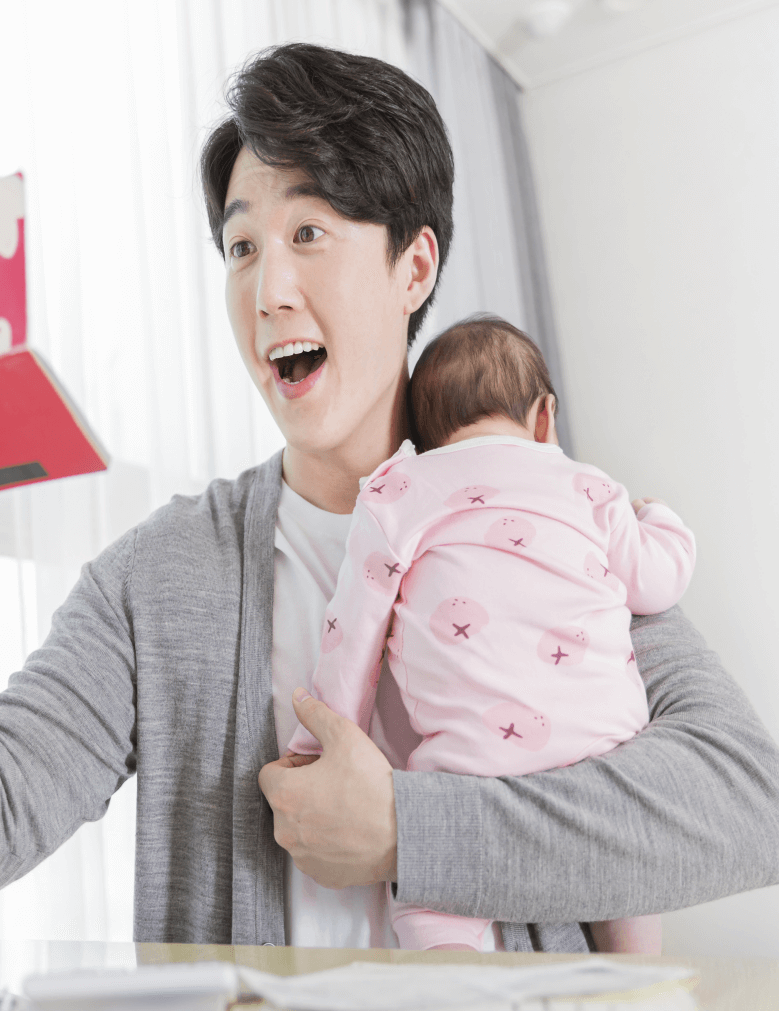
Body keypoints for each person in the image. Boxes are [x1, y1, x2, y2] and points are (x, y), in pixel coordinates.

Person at [0, 43, 779, 951]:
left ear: (413, 266)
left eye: (308, 232)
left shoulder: (542, 515)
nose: (267, 292)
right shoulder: (158, 579)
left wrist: (408, 832)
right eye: (242, 247)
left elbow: (745, 806)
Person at [288, 315, 695, 952]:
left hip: (473, 762)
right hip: (605, 756)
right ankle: (638, 971)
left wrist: (319, 742)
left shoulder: (400, 492)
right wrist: (658, 516)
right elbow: (658, 580)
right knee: (632, 884)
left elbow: (353, 633)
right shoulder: (592, 489)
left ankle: (450, 959)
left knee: (433, 883)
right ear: (545, 418)